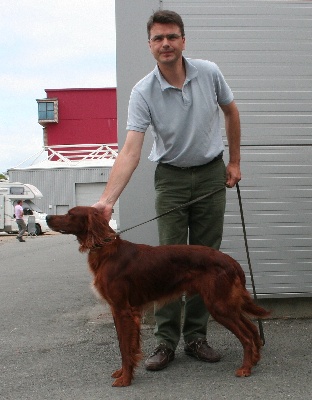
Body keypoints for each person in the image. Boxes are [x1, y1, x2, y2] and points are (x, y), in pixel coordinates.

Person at [93, 10, 241, 371]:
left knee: (206, 260)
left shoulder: (209, 72)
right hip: (171, 179)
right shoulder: (143, 91)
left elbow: (232, 113)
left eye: (172, 36)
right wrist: (107, 201)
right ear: (149, 45)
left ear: (183, 40)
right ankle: (164, 343)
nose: (166, 44)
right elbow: (130, 150)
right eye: (158, 38)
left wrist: (234, 163)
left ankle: (196, 337)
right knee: (164, 266)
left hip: (210, 176)